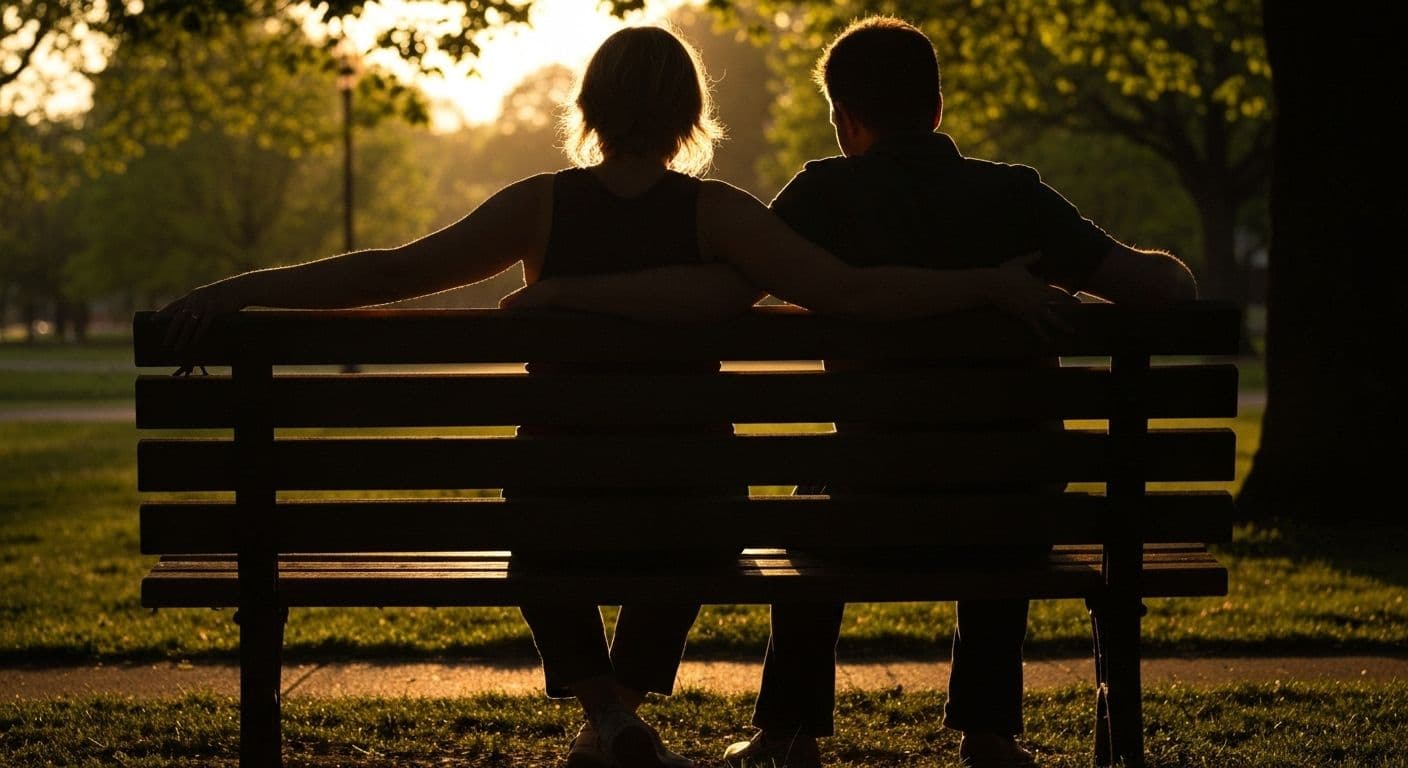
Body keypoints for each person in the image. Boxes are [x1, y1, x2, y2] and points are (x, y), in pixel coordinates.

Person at [157, 23, 1074, 768]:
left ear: (588, 110)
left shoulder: (539, 207)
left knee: (532, 516)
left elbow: (394, 272)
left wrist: (236, 290)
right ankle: (614, 710)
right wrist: (987, 286)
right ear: (690, 116)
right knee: (705, 512)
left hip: (559, 509)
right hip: (690, 513)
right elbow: (855, 294)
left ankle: (606, 711)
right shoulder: (719, 215)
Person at [707, 16, 1198, 768]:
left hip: (871, 513)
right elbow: (1162, 287)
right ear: (937, 109)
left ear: (846, 119)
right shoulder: (1017, 196)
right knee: (1008, 463)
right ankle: (989, 731)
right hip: (1012, 518)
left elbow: (728, 292)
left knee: (814, 492)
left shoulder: (824, 194)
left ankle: (787, 732)